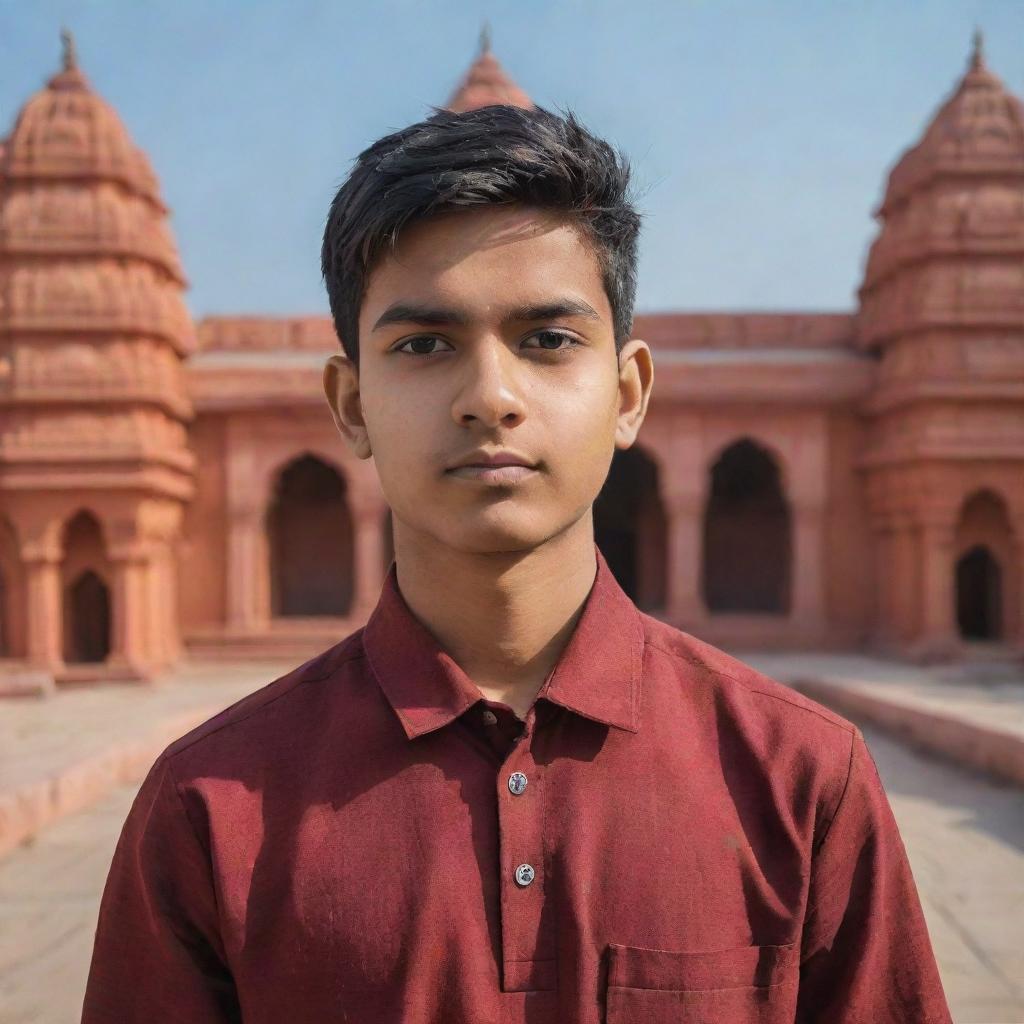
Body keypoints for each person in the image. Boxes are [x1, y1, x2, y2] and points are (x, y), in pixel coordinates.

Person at [81, 104, 952, 1023]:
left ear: (627, 394)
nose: (489, 397)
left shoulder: (799, 778)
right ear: (350, 405)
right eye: (424, 345)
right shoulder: (212, 805)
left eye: (547, 340)